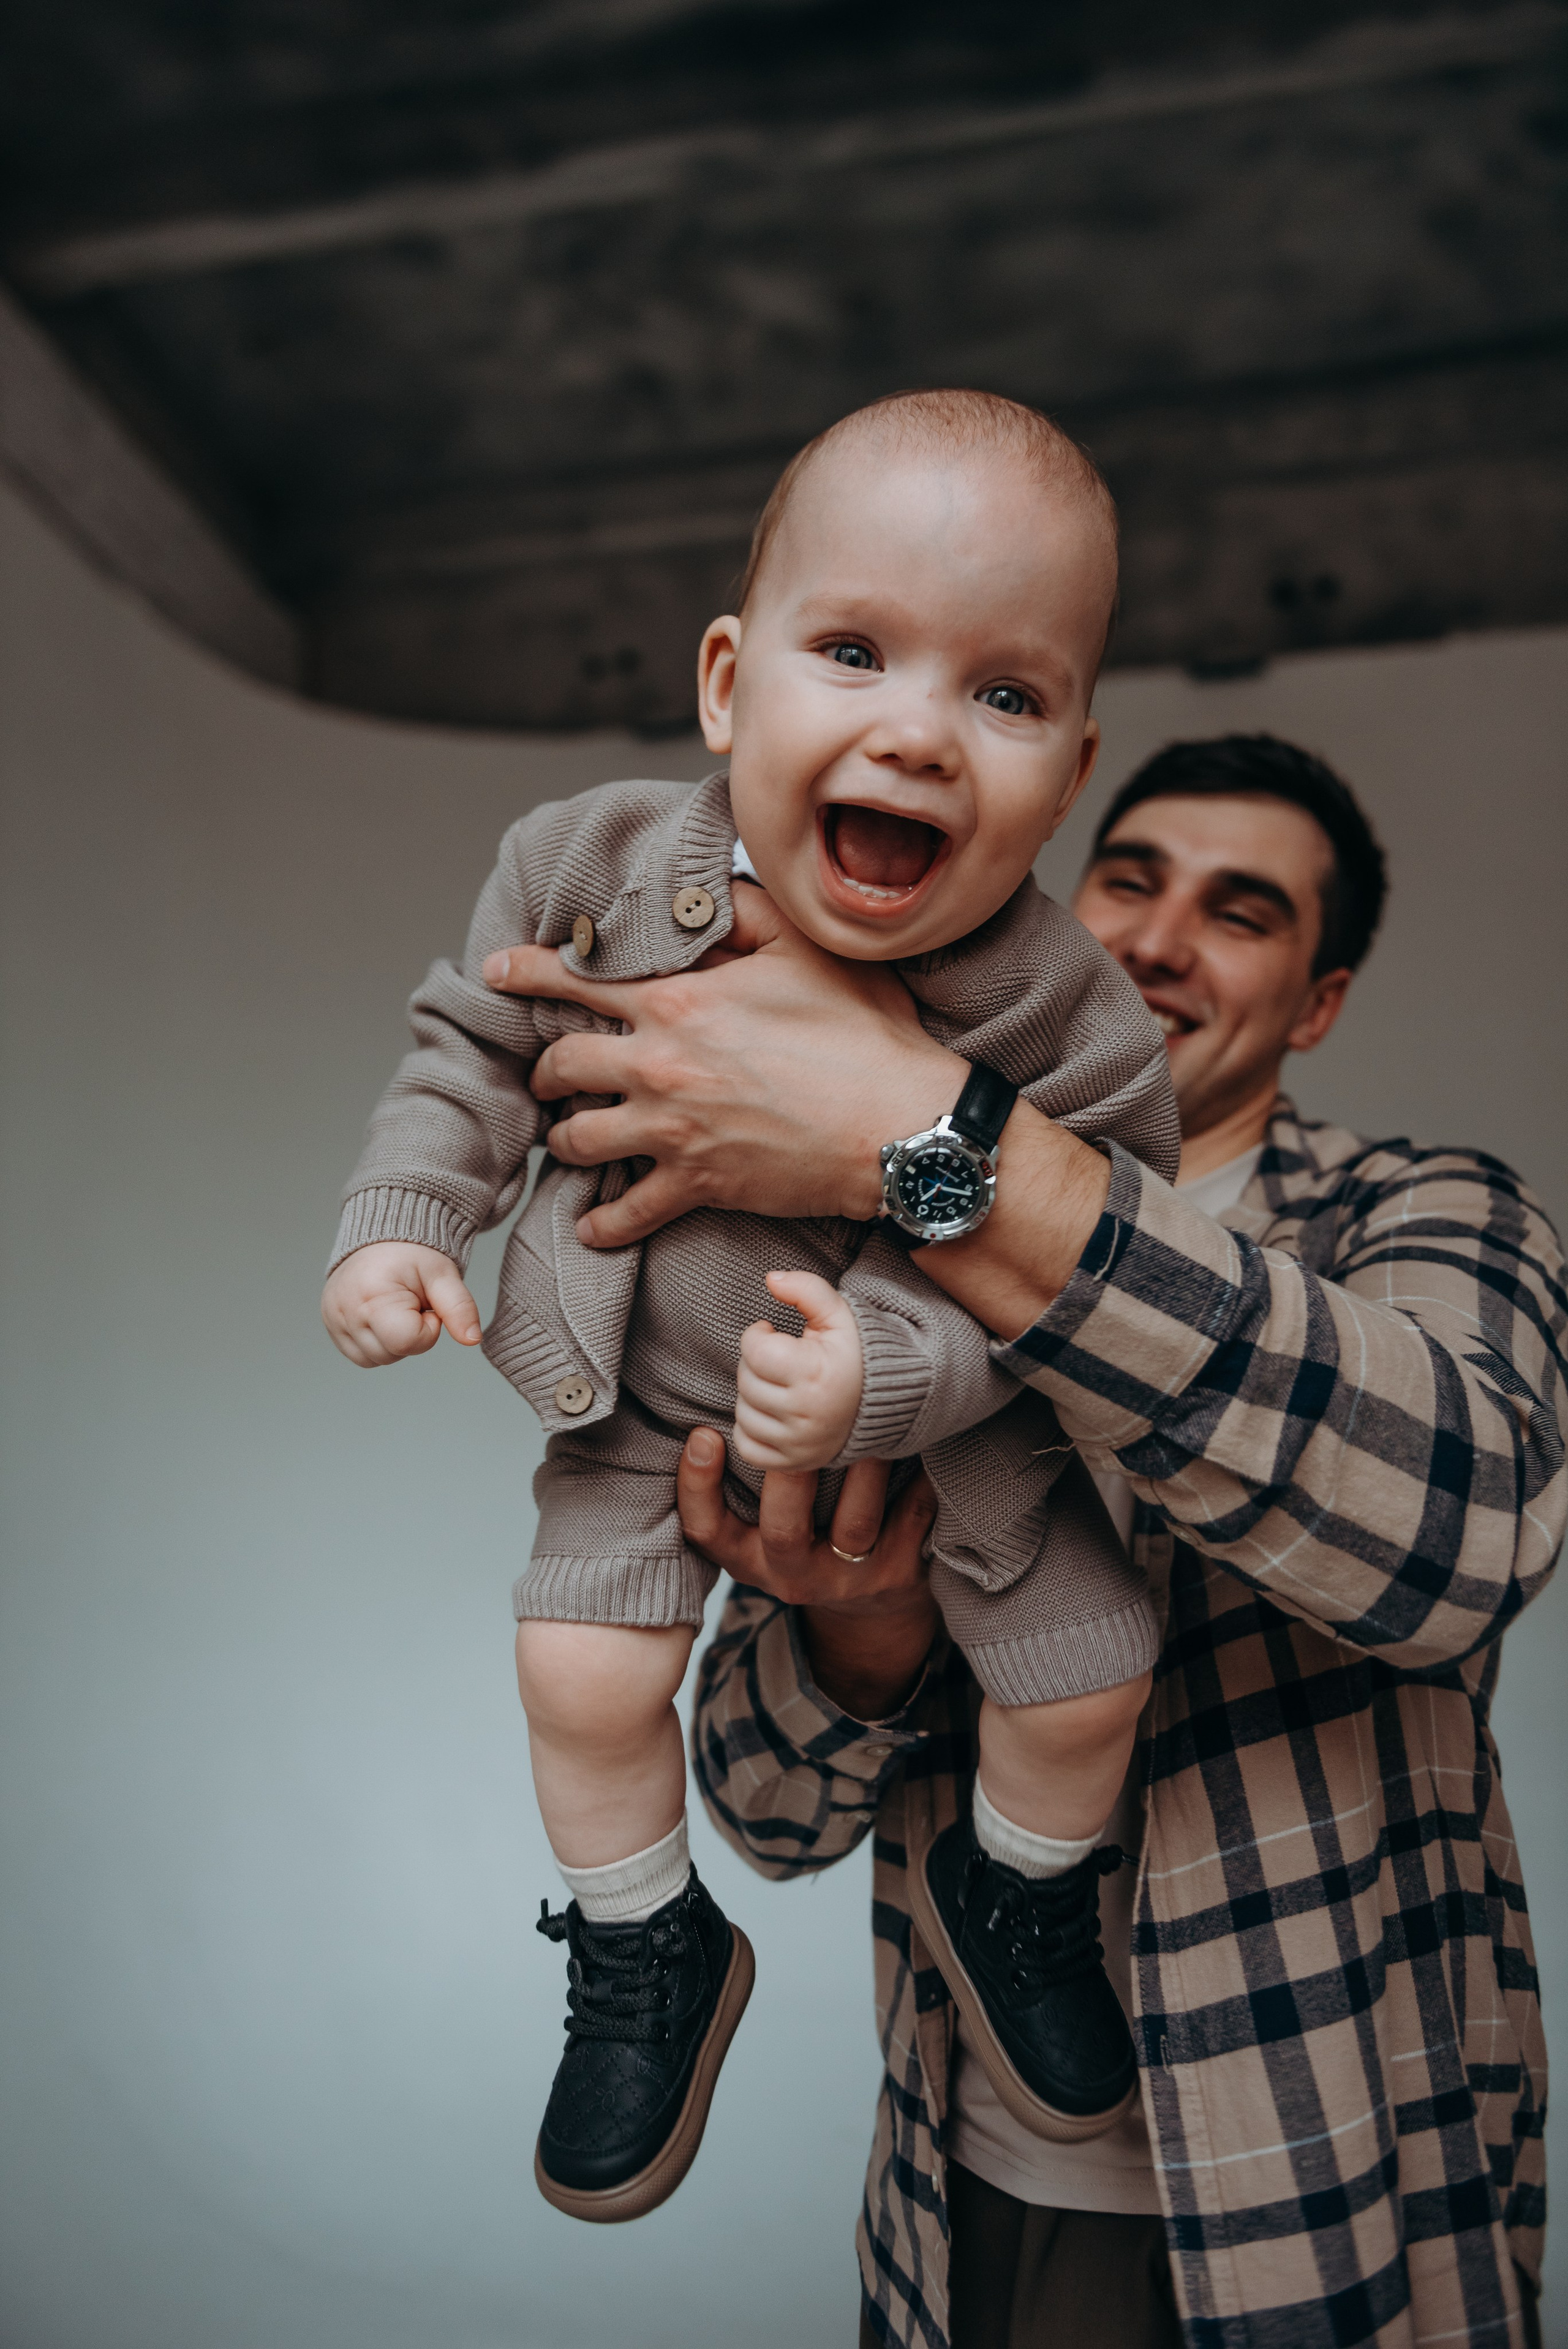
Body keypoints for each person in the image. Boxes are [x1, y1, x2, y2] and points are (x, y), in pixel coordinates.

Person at [481, 733, 1567, 2347]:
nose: (1157, 939)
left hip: (1348, 2195)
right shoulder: (821, 1231)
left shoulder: (1422, 1221)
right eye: (1128, 878)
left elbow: (1461, 1538)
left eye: (1242, 909)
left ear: (1319, 1001)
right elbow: (763, 1815)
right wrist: (864, 1631)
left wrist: (938, 1128)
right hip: (967, 2201)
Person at [320, 390, 1187, 2226]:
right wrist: (403, 1223)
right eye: (856, 650)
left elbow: (1098, 1232)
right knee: (576, 1669)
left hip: (968, 1436)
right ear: (729, 683)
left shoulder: (1060, 1001)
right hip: (631, 1394)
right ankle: (649, 1938)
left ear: (1076, 764)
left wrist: (894, 1366)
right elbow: (475, 1043)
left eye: (1006, 696)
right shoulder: (596, 863)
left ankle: (1018, 1887)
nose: (919, 733)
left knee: (1094, 1672)